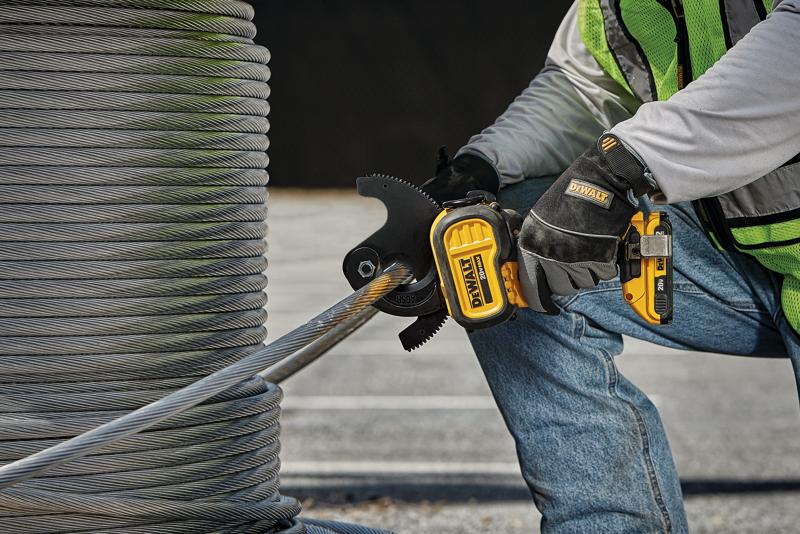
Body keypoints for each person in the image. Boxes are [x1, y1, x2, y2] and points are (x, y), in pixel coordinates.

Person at [422, 1, 800, 532]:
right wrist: (481, 166)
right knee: (502, 241)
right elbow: (588, 86)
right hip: (749, 248)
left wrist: (621, 167)